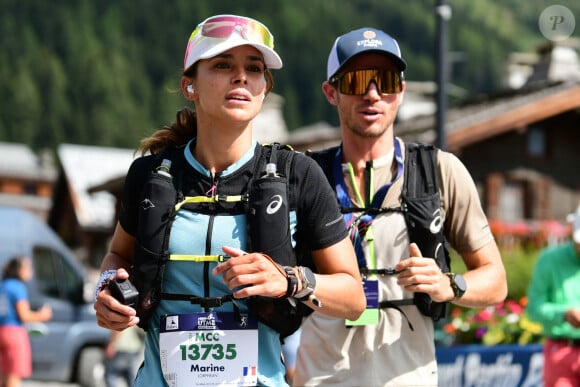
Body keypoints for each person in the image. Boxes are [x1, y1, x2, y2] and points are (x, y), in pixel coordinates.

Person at [93, 14, 365, 387]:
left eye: (253, 69)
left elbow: (353, 297)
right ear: (190, 85)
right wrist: (107, 291)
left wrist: (290, 281)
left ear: (263, 88)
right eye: (223, 64)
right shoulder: (150, 176)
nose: (241, 77)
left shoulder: (298, 175)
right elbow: (118, 258)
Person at [294, 27, 508, 386]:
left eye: (387, 81)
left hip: (410, 377)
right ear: (331, 92)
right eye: (357, 81)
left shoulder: (440, 170)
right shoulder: (305, 175)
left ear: (401, 92)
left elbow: (496, 282)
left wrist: (448, 285)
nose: (373, 94)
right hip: (320, 378)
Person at [526, 205, 580, 386]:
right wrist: (563, 314)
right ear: (572, 229)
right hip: (560, 352)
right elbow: (534, 308)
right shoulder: (549, 260)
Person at [0, 256, 52, 387]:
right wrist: (43, 315)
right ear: (19, 270)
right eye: (28, 267)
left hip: (2, 331)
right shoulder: (18, 287)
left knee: (3, 374)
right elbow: (24, 315)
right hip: (14, 334)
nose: (31, 270)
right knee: (13, 375)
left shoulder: (3, 285)